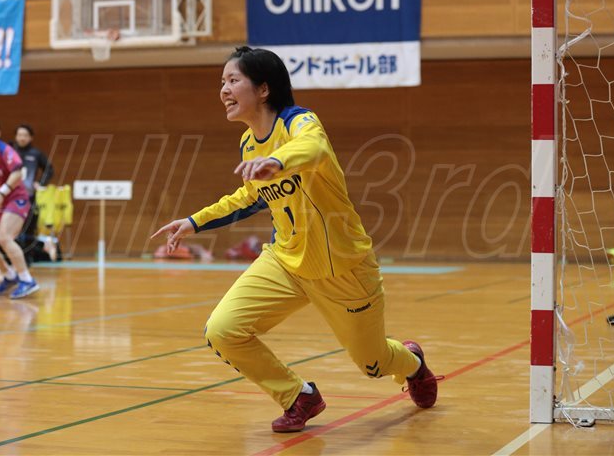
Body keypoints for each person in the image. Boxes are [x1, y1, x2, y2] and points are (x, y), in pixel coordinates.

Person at [152, 47, 442, 433]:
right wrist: (194, 222)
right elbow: (250, 197)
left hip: (343, 268)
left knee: (373, 364)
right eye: (222, 82)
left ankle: (413, 364)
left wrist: (278, 161)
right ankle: (297, 396)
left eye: (233, 80)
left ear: (263, 89)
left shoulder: (300, 122)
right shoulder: (248, 143)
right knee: (222, 331)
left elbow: (314, 147)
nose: (223, 90)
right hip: (285, 262)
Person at [0, 118, 39, 299]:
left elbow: (17, 173)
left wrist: (2, 193)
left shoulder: (5, 150)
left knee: (5, 237)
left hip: (16, 199)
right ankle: (9, 276)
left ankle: (27, 280)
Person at [11, 123, 56, 259]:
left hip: (29, 197)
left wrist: (40, 183)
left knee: (30, 228)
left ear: (31, 137)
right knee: (11, 229)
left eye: (25, 135)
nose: (22, 138)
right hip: (11, 197)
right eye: (19, 135)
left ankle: (28, 258)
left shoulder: (36, 154)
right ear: (15, 137)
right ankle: (12, 258)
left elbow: (49, 169)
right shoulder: (10, 152)